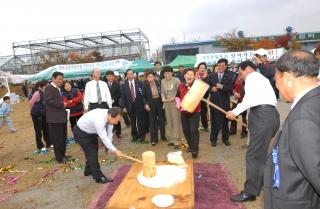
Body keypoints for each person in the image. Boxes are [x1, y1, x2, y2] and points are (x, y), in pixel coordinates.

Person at [264, 50, 320, 209]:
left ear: (287, 78)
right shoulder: (314, 100)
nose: (276, 85)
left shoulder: (302, 119)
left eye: (276, 79)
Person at [226, 61, 280, 202]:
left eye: (241, 72)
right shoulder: (262, 79)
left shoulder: (252, 77)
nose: (241, 76)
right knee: (260, 155)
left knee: (254, 156)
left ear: (248, 69)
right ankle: (258, 185)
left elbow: (249, 99)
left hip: (262, 117)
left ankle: (250, 192)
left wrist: (234, 112)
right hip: (270, 116)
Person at [73, 107, 123, 184]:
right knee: (92, 153)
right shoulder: (99, 120)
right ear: (110, 116)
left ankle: (88, 170)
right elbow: (103, 137)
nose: (116, 123)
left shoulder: (110, 116)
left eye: (117, 121)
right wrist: (115, 150)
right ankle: (99, 177)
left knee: (93, 152)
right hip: (81, 132)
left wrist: (110, 147)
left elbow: (109, 133)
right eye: (116, 120)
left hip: (91, 132)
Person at [207, 58, 234, 147]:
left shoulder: (229, 77)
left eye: (223, 66)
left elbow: (230, 89)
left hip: (225, 103)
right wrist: (211, 89)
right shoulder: (211, 76)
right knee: (214, 122)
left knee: (225, 122)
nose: (221, 67)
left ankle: (225, 139)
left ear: (226, 67)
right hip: (214, 103)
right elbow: (206, 87)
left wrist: (222, 86)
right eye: (219, 65)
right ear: (217, 66)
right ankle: (213, 139)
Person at [176, 69, 200, 158]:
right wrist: (178, 104)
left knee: (194, 131)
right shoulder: (181, 85)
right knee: (186, 131)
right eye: (188, 74)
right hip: (184, 112)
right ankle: (191, 146)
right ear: (184, 76)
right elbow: (177, 96)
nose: (189, 76)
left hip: (195, 112)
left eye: (191, 74)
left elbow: (205, 92)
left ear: (194, 76)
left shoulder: (197, 86)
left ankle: (195, 150)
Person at [45, 71, 69, 163]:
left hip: (61, 117)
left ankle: (63, 154)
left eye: (62, 79)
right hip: (54, 119)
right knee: (57, 139)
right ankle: (59, 158)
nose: (61, 81)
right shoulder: (49, 88)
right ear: (53, 78)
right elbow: (49, 101)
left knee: (63, 137)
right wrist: (61, 104)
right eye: (59, 79)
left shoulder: (57, 88)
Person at [120, 69, 146, 143]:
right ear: (126, 75)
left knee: (140, 122)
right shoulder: (123, 85)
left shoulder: (139, 83)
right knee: (133, 123)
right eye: (129, 74)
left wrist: (144, 104)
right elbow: (123, 97)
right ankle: (134, 137)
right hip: (130, 107)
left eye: (131, 74)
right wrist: (124, 107)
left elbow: (143, 95)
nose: (130, 75)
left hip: (139, 105)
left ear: (133, 74)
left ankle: (142, 137)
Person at [161, 66, 182, 148]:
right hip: (167, 104)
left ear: (172, 73)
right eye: (165, 73)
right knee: (169, 122)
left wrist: (175, 97)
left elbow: (180, 91)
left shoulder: (176, 80)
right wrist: (163, 97)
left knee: (176, 122)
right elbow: (162, 92)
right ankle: (172, 140)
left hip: (175, 104)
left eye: (169, 73)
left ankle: (177, 141)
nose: (167, 75)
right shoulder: (162, 81)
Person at [143, 71, 165, 146]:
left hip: (159, 103)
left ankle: (163, 136)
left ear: (154, 77)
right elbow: (143, 97)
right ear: (146, 78)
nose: (151, 78)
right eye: (149, 77)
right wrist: (146, 104)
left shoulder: (159, 83)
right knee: (152, 122)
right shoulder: (145, 85)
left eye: (152, 76)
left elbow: (162, 92)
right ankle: (154, 139)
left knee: (162, 120)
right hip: (151, 104)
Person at [29, 80, 51, 151]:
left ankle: (49, 143)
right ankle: (40, 145)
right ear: (42, 86)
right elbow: (31, 103)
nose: (48, 86)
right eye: (46, 85)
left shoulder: (47, 92)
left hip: (44, 113)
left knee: (46, 129)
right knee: (38, 130)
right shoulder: (37, 93)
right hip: (37, 114)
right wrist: (30, 111)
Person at [229, 73, 248, 138]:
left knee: (244, 116)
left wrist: (240, 94)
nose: (239, 71)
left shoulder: (246, 77)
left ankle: (244, 131)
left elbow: (246, 88)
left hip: (244, 99)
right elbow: (232, 86)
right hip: (235, 99)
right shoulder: (235, 76)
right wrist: (234, 92)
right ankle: (233, 130)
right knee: (234, 113)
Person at [105, 70, 122, 138]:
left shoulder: (117, 84)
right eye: (109, 76)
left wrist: (113, 99)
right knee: (108, 118)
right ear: (106, 77)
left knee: (117, 117)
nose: (110, 77)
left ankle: (118, 132)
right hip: (106, 104)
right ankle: (109, 132)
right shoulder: (104, 84)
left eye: (112, 76)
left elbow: (119, 94)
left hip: (115, 104)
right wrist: (107, 100)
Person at [196, 62, 209, 132]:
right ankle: (195, 126)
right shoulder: (194, 77)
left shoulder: (207, 77)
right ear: (198, 69)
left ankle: (205, 126)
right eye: (201, 68)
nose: (202, 69)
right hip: (195, 99)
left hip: (203, 98)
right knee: (196, 114)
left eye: (204, 68)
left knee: (204, 113)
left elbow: (207, 88)